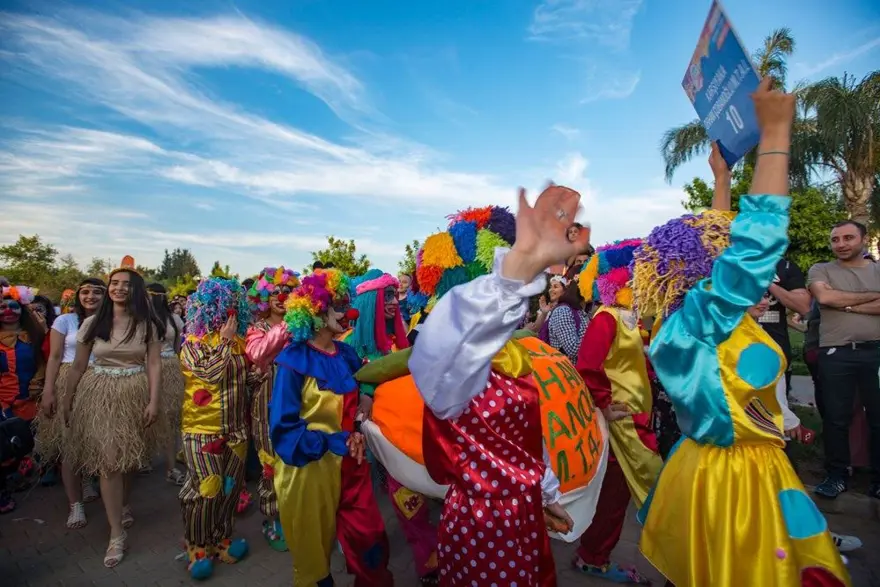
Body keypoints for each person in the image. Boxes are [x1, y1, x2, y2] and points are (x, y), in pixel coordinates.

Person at [633, 80, 849, 586]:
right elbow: (755, 241)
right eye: (722, 257)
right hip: (737, 483)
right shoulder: (705, 319)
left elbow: (726, 236)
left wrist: (723, 180)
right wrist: (776, 135)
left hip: (714, 466)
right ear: (708, 272)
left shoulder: (687, 323)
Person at [410, 194, 583, 586]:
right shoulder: (450, 369)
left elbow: (527, 443)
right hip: (480, 522)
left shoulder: (513, 360)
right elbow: (464, 325)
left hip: (522, 515)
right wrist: (522, 264)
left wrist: (547, 495)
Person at [270, 269, 394, 587]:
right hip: (309, 471)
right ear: (316, 310)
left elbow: (369, 379)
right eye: (338, 304)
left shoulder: (346, 353)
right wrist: (333, 441)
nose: (347, 311)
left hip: (352, 467)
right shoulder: (292, 361)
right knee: (315, 562)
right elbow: (283, 432)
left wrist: (365, 402)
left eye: (346, 303)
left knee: (371, 542)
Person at [63, 257, 167, 568]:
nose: (118, 288)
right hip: (100, 395)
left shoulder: (147, 325)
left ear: (135, 290)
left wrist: (153, 400)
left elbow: (153, 363)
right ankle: (116, 534)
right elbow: (79, 365)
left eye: (125, 284)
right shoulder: (92, 323)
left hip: (134, 394)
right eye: (114, 283)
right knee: (109, 463)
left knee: (130, 459)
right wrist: (67, 399)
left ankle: (123, 504)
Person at [343, 269, 439, 586]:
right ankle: (358, 554)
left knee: (409, 502)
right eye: (385, 296)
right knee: (360, 508)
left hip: (397, 440)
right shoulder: (348, 347)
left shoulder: (397, 343)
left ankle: (429, 564)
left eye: (393, 296)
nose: (391, 302)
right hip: (359, 442)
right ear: (370, 300)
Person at [573, 239, 660, 583]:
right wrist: (605, 407)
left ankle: (594, 553)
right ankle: (593, 557)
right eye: (640, 277)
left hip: (636, 421)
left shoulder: (629, 319)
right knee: (614, 493)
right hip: (619, 425)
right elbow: (588, 367)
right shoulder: (606, 319)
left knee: (620, 493)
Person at [178, 277, 252, 580]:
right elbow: (209, 373)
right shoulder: (191, 345)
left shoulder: (240, 343)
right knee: (206, 490)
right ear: (208, 309)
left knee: (230, 490)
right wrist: (223, 341)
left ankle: (221, 538)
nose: (229, 312)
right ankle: (197, 546)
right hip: (202, 431)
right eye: (223, 306)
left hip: (236, 431)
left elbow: (247, 380)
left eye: (234, 307)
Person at [808, 219, 880, 501]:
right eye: (835, 239)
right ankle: (836, 475)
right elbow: (825, 297)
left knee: (878, 418)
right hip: (835, 351)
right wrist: (869, 300)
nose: (841, 244)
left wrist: (846, 303)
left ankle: (877, 480)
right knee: (836, 418)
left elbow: (835, 299)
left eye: (848, 238)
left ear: (863, 239)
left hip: (876, 351)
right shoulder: (821, 269)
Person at [36, 278, 105, 527]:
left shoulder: (111, 321)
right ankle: (75, 505)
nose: (90, 296)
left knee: (95, 439)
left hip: (101, 383)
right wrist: (49, 391)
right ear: (77, 296)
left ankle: (88, 479)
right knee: (70, 443)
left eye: (97, 292)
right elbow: (54, 357)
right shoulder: (65, 321)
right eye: (85, 292)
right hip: (68, 380)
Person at [245, 266, 300, 552]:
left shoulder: (302, 327)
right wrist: (291, 324)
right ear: (264, 297)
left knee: (294, 462)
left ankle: (295, 514)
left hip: (299, 404)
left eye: (288, 291)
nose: (281, 297)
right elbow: (257, 353)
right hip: (265, 406)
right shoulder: (256, 328)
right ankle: (273, 518)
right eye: (275, 292)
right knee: (270, 464)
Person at [146, 283, 186, 486]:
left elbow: (178, 347)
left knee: (170, 417)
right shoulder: (140, 318)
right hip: (143, 369)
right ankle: (143, 457)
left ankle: (171, 467)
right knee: (143, 415)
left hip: (170, 368)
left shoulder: (175, 319)